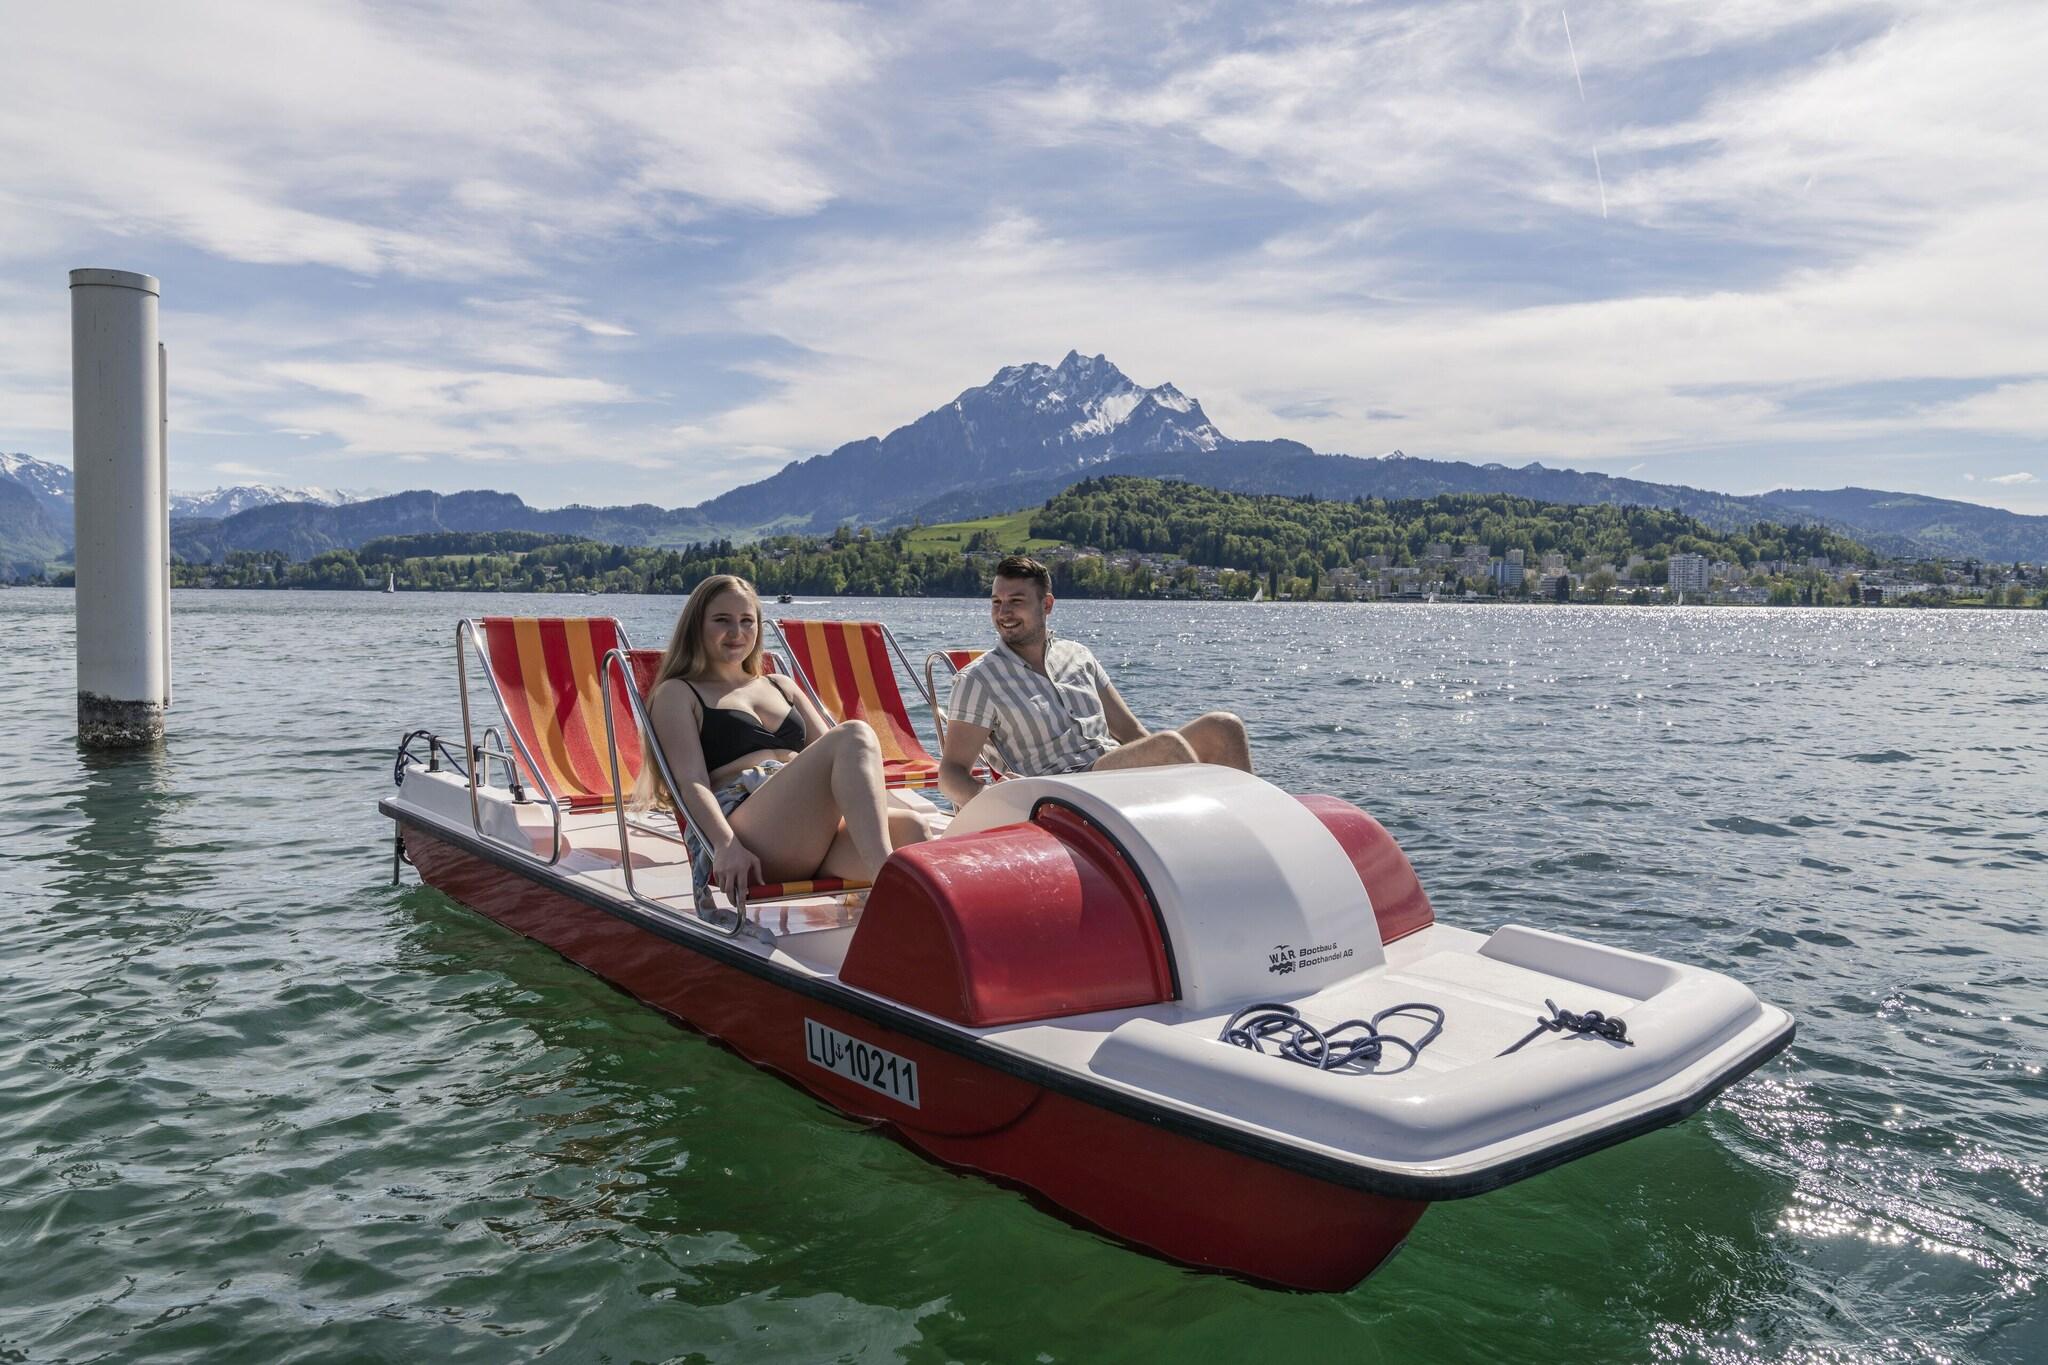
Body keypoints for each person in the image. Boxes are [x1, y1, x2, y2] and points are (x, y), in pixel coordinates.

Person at [636, 575, 927, 904]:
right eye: (722, 620)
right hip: (749, 833)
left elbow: (837, 759)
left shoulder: (780, 685)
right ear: (696, 626)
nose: (737, 632)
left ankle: (893, 935)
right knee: (855, 734)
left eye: (748, 621)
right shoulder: (678, 692)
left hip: (805, 834)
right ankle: (888, 890)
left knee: (913, 830)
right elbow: (691, 782)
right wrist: (725, 844)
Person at [937, 555, 1251, 809]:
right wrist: (997, 804)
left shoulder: (1078, 656)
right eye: (996, 602)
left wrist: (1154, 758)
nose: (1003, 613)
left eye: (1015, 601)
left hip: (1109, 775)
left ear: (1046, 605)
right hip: (1062, 794)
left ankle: (1252, 826)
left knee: (1224, 726)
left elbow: (1132, 733)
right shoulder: (978, 680)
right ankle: (1212, 839)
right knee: (1167, 746)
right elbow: (951, 774)